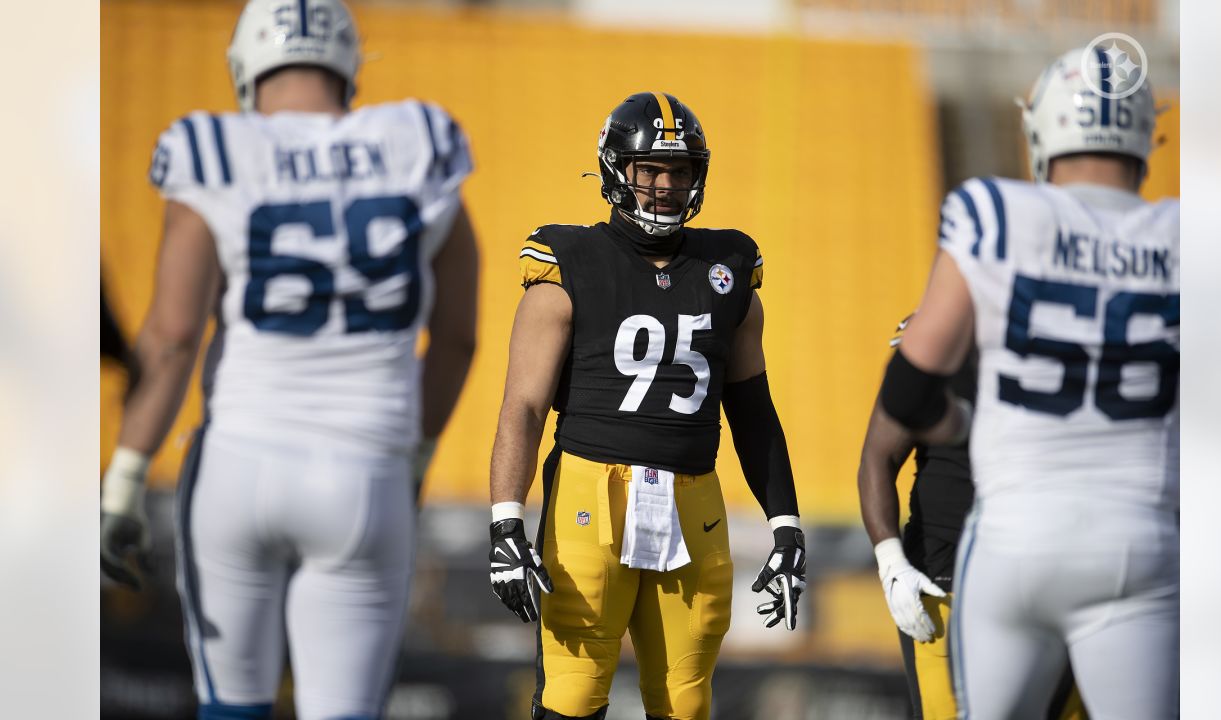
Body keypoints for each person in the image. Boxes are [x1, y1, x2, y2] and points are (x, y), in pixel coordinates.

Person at [98, 1, 478, 717]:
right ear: (351, 69)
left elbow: (173, 335)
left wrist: (126, 475)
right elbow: (457, 335)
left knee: (232, 708)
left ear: (244, 68)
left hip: (239, 466)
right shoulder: (417, 141)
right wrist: (416, 455)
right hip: (364, 473)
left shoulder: (214, 149)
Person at [866, 47, 1178, 719]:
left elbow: (908, 394)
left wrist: (957, 425)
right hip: (1135, 539)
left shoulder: (994, 217)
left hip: (1016, 539)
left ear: (1043, 132)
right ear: (1142, 135)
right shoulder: (1189, 237)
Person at [486, 92, 805, 720]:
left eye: (679, 171)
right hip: (588, 493)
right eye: (649, 170)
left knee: (686, 704)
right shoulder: (567, 262)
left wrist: (786, 524)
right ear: (615, 171)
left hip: (695, 499)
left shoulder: (729, 266)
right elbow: (522, 405)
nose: (664, 186)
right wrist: (505, 522)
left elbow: (753, 410)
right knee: (572, 697)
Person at [858, 319, 1086, 720]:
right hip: (947, 568)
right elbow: (879, 456)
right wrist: (891, 561)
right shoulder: (942, 334)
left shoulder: (1088, 330)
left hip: (1058, 565)